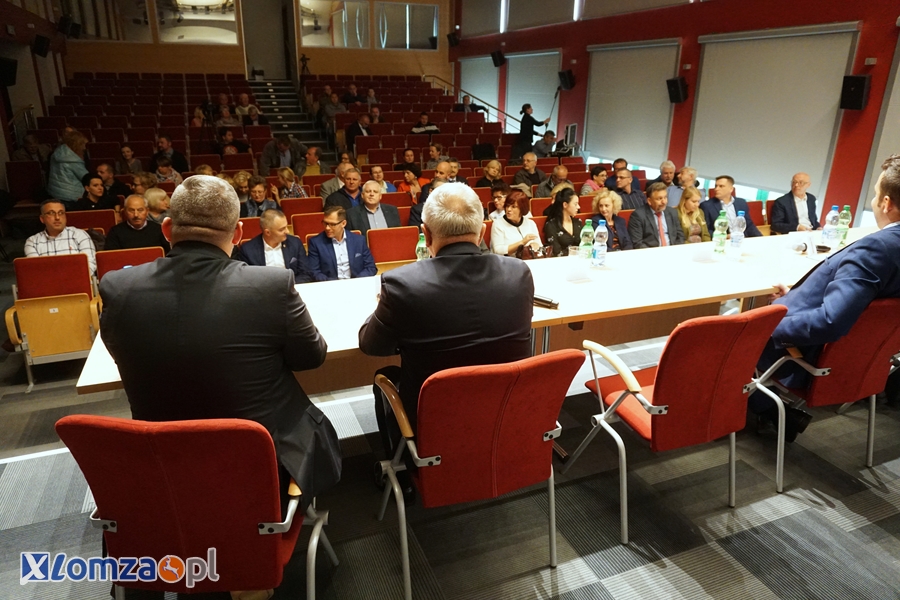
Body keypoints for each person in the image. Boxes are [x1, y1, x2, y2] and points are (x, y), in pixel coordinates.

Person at [98, 175, 341, 517]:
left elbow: (120, 353)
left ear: (166, 229)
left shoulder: (117, 287)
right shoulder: (271, 286)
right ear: (238, 233)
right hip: (263, 468)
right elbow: (311, 357)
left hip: (164, 467)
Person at [358, 182, 533, 495]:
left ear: (425, 234)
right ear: (482, 232)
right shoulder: (519, 273)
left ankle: (403, 470)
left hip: (434, 425)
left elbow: (372, 345)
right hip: (506, 415)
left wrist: (385, 307)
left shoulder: (401, 283)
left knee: (384, 376)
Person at [750, 155, 900, 442]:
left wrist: (768, 326)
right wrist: (797, 297)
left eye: (874, 194)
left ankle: (764, 409)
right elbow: (870, 305)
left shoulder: (877, 248)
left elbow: (830, 321)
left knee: (723, 337)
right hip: (869, 358)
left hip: (809, 354)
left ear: (886, 203)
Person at [236, 208, 311, 284]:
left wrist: (288, 286)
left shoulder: (295, 243)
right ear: (267, 232)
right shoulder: (248, 250)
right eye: (281, 229)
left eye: (286, 227)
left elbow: (305, 273)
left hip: (291, 287)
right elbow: (247, 280)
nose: (287, 231)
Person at [25, 200, 97, 273]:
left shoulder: (80, 235)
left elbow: (90, 265)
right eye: (51, 213)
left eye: (61, 213)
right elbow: (36, 271)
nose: (57, 217)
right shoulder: (32, 242)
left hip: (79, 279)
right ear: (42, 219)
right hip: (48, 280)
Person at [307, 205, 377, 281]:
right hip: (330, 285)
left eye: (332, 224)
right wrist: (333, 283)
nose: (327, 228)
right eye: (325, 223)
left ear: (343, 223)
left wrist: (356, 282)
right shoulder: (316, 243)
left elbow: (370, 267)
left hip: (356, 283)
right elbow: (314, 272)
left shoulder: (359, 240)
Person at [104, 194, 171, 253]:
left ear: (147, 211)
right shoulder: (115, 232)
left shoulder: (159, 230)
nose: (136, 215)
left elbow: (170, 254)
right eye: (131, 210)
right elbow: (111, 257)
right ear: (125, 212)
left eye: (140, 210)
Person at [628, 182, 685, 248]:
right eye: (659, 199)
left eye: (665, 197)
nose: (664, 202)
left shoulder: (672, 212)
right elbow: (637, 243)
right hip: (651, 252)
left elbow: (680, 236)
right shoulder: (638, 216)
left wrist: (675, 250)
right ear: (649, 201)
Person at [490, 189, 543, 256]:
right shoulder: (498, 224)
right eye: (507, 206)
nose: (509, 209)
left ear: (522, 208)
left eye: (513, 207)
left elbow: (540, 246)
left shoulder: (530, 223)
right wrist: (522, 242)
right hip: (507, 261)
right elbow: (498, 250)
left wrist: (535, 245)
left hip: (530, 259)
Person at [47, 130, 90, 206]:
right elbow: (86, 177)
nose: (84, 147)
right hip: (71, 196)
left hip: (55, 193)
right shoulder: (72, 159)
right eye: (82, 144)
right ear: (76, 144)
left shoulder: (58, 153)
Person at [543, 188, 583, 256]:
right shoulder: (551, 225)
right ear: (565, 205)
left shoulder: (578, 222)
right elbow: (556, 252)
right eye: (575, 204)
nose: (579, 207)